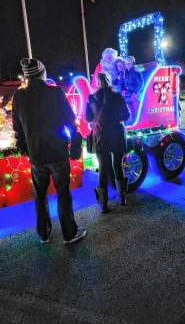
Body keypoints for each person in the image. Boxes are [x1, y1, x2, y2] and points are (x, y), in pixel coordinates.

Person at [12, 57, 86, 245]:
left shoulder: (19, 96)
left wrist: (24, 146)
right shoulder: (54, 93)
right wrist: (75, 143)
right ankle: (69, 233)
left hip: (36, 154)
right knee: (63, 192)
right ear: (42, 74)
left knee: (40, 194)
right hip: (57, 152)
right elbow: (70, 120)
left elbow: (17, 127)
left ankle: (43, 233)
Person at [85, 72, 130, 212]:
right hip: (117, 134)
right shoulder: (117, 96)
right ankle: (122, 198)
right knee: (118, 165)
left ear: (97, 83)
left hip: (100, 136)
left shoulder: (91, 98)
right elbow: (126, 115)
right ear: (109, 81)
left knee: (103, 168)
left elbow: (87, 118)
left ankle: (103, 204)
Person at [123, 56, 144, 124]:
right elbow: (126, 84)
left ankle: (135, 123)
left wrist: (135, 92)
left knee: (134, 110)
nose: (128, 64)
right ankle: (130, 123)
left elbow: (141, 84)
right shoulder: (126, 72)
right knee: (129, 110)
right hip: (128, 95)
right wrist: (125, 90)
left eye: (129, 63)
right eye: (126, 63)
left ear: (132, 63)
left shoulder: (135, 72)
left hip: (133, 96)